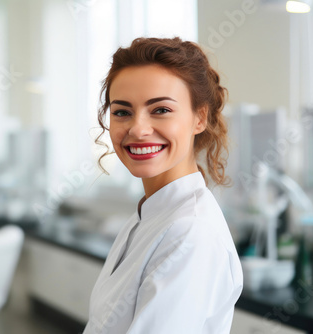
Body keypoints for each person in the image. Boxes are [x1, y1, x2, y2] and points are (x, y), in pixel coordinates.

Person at [83, 37, 243, 334]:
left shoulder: (190, 232)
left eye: (161, 110)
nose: (138, 129)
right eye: (122, 112)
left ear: (199, 117)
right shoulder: (150, 213)